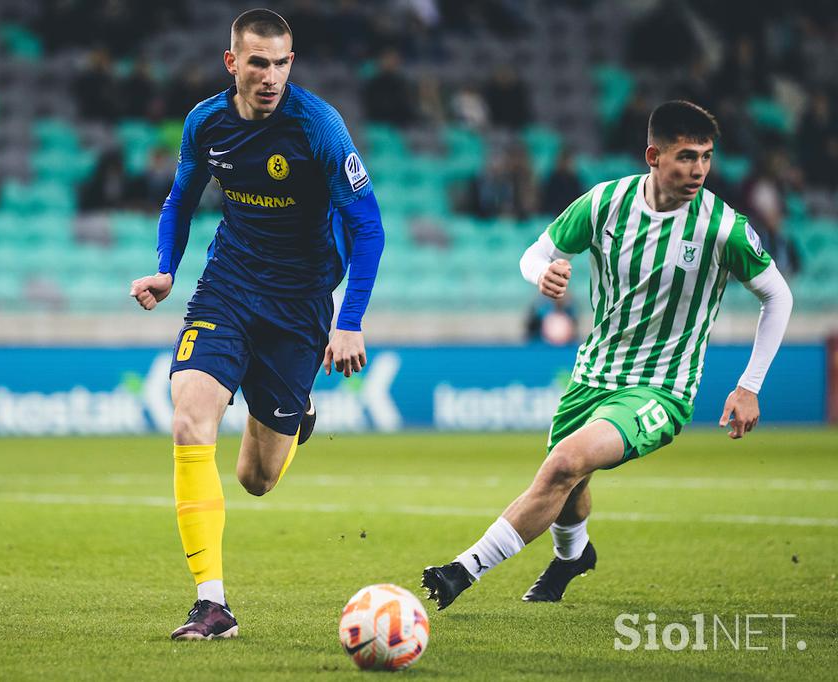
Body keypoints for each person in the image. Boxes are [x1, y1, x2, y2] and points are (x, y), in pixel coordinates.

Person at [422, 100, 792, 608]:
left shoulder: (722, 228)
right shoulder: (605, 204)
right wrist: (541, 274)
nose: (698, 170)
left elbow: (778, 295)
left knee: (564, 463)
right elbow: (536, 253)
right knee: (570, 484)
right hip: (593, 374)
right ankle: (573, 556)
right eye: (686, 156)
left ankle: (461, 571)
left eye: (706, 157)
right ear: (653, 155)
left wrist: (749, 385)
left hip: (661, 387)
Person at [129, 9, 384, 640]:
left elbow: (369, 226)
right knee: (189, 413)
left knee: (256, 479)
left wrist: (348, 321)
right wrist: (166, 269)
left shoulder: (319, 126)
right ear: (232, 63)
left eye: (282, 63)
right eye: (258, 63)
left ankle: (294, 420)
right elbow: (180, 200)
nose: (271, 76)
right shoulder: (205, 122)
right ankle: (211, 604)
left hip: (300, 302)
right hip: (230, 286)